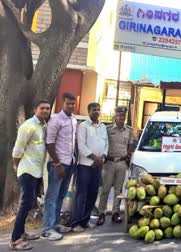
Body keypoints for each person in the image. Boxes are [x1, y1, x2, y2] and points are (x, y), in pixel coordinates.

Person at [10, 101, 51, 250]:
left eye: (47, 108)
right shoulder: (28, 126)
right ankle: (15, 240)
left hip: (36, 172)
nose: (45, 110)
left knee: (29, 205)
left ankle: (22, 233)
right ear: (35, 110)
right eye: (42, 108)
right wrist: (17, 166)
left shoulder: (43, 126)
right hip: (27, 171)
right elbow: (17, 151)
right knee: (25, 204)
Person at [42, 93, 78, 240]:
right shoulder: (55, 119)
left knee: (61, 195)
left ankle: (56, 224)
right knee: (52, 196)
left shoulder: (74, 120)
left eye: (72, 104)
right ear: (63, 104)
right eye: (68, 103)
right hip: (58, 164)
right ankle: (47, 228)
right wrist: (57, 163)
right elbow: (49, 143)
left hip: (70, 163)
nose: (70, 106)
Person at [72, 103, 108, 232]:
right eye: (94, 110)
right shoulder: (83, 126)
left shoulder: (103, 126)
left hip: (97, 166)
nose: (96, 112)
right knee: (82, 194)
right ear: (89, 111)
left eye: (98, 109)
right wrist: (94, 158)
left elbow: (106, 143)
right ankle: (77, 222)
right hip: (85, 165)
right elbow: (81, 145)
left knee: (93, 194)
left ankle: (85, 220)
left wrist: (103, 157)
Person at [97, 107, 134, 226]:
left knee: (119, 190)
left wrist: (126, 156)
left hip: (122, 163)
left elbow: (130, 145)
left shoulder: (128, 130)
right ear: (115, 116)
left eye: (123, 116)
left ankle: (115, 212)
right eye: (119, 116)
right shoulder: (108, 129)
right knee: (105, 189)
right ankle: (101, 213)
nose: (121, 118)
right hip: (109, 163)